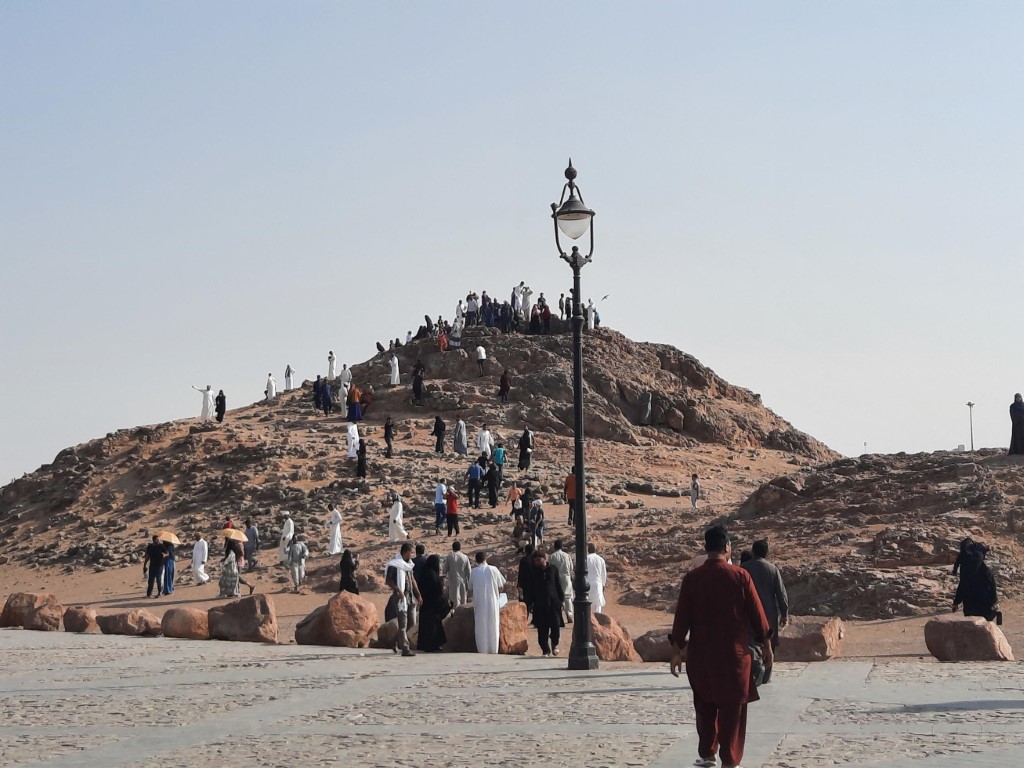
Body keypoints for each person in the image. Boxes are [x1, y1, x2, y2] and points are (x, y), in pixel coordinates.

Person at [670, 525, 771, 768]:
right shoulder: (740, 576)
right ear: (727, 547)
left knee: (704, 704)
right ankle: (730, 758)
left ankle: (707, 754)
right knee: (732, 708)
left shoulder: (692, 579)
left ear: (706, 548)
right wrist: (767, 647)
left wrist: (676, 652)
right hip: (734, 656)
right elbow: (758, 616)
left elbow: (681, 617)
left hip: (701, 656)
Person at [741, 539, 789, 683]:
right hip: (768, 613)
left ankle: (751, 673)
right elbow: (781, 594)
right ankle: (766, 675)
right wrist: (784, 613)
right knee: (769, 642)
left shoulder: (744, 568)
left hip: (748, 612)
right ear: (766, 553)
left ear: (753, 551)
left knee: (749, 642)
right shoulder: (772, 569)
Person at [385, 542, 421, 657]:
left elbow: (412, 580)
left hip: (410, 598)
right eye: (411, 552)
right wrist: (398, 590)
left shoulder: (409, 565)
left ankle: (393, 640)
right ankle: (405, 649)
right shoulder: (395, 564)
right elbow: (388, 580)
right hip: (400, 598)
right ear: (406, 552)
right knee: (403, 624)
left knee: (411, 622)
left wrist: (418, 594)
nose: (412, 555)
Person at [953, 541, 1001, 622]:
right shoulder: (985, 570)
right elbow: (993, 586)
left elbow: (962, 586)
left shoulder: (969, 571)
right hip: (980, 606)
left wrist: (956, 602)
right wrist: (994, 601)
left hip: (974, 607)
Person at [530, 550, 565, 657]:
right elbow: (531, 588)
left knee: (555, 626)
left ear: (544, 559)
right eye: (535, 561)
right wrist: (531, 603)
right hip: (539, 604)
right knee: (542, 628)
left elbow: (558, 585)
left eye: (539, 560)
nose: (537, 562)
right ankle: (546, 650)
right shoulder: (534, 571)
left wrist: (561, 600)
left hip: (554, 603)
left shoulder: (553, 569)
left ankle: (555, 644)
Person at [470, 551, 506, 654]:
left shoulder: (474, 571)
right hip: (493, 601)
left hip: (479, 603)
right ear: (486, 559)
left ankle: (482, 650)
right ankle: (493, 649)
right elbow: (501, 586)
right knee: (493, 625)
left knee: (481, 626)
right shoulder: (494, 569)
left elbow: (470, 587)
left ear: (476, 560)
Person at [417, 554, 449, 653]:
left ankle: (425, 645)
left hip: (425, 604)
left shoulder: (424, 573)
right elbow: (437, 591)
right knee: (432, 626)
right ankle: (432, 645)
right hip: (432, 606)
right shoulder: (432, 575)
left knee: (425, 626)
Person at [548, 539, 574, 623]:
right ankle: (569, 614)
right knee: (568, 597)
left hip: (556, 578)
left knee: (557, 598)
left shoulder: (552, 556)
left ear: (555, 547)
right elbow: (571, 568)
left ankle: (558, 616)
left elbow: (550, 569)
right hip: (566, 577)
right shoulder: (567, 556)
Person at [444, 540, 471, 608]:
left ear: (452, 548)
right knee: (463, 600)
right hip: (463, 581)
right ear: (460, 548)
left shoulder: (449, 557)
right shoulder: (465, 557)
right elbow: (469, 571)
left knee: (454, 601)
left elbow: (445, 570)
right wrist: (470, 583)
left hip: (453, 580)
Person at [587, 542, 607, 614]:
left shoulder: (586, 559)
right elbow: (603, 574)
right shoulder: (601, 559)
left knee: (588, 603)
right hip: (598, 583)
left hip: (588, 583)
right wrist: (603, 585)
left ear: (588, 550)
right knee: (598, 604)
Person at [517, 543, 535, 619]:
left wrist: (519, 585)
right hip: (535, 584)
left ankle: (525, 618)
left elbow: (521, 573)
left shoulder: (523, 560)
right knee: (535, 602)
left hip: (525, 584)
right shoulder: (535, 559)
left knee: (525, 603)